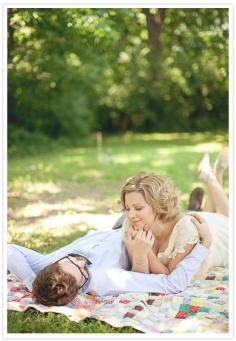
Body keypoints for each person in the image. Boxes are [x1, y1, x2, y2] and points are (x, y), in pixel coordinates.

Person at [8, 213, 211, 306]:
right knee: (185, 220)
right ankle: (197, 208)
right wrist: (204, 246)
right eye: (81, 272)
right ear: (80, 288)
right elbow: (172, 283)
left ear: (52, 265)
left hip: (112, 224)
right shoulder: (107, 279)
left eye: (70, 261)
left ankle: (194, 207)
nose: (80, 262)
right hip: (135, 229)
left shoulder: (49, 264)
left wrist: (30, 283)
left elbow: (8, 251)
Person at [121, 147, 228, 278]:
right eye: (127, 208)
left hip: (221, 234)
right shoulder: (131, 226)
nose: (130, 215)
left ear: (157, 205)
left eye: (138, 208)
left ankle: (212, 175)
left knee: (226, 217)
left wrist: (146, 251)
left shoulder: (186, 231)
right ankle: (213, 174)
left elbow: (170, 276)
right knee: (216, 211)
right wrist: (139, 252)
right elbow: (141, 274)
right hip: (199, 219)